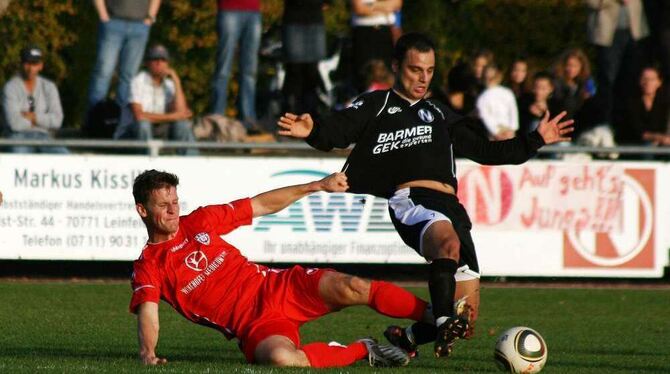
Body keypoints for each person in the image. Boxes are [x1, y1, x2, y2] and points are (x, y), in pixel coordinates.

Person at [278, 33, 574, 359]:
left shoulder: (439, 113)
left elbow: (487, 151)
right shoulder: (378, 104)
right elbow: (338, 130)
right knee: (447, 250)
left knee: (466, 321)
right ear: (396, 66)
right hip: (412, 200)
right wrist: (312, 132)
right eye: (415, 69)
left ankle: (406, 338)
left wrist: (536, 139)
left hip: (452, 208)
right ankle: (442, 318)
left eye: (430, 70)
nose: (423, 78)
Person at [130, 169, 436, 367]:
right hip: (254, 324)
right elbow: (149, 313)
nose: (173, 210)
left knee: (353, 286)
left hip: (279, 286)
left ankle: (436, 316)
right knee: (283, 359)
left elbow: (261, 204)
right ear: (143, 210)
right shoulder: (149, 265)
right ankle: (365, 349)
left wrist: (316, 185)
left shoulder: (200, 221)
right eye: (162, 205)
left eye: (175, 201)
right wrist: (148, 354)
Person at [113, 45, 197, 156]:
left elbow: (181, 113)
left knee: (182, 125)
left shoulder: (170, 84)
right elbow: (139, 116)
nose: (159, 63)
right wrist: (173, 116)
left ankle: (193, 162)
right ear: (147, 63)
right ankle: (148, 165)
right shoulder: (138, 81)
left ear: (167, 64)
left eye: (163, 60)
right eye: (155, 59)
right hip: (133, 132)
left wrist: (177, 82)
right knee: (143, 125)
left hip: (161, 128)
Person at [87, 0, 161, 109]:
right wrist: (103, 15)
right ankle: (94, 117)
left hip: (139, 26)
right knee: (103, 71)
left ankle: (122, 120)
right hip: (113, 22)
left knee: (129, 76)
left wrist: (150, 18)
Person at [2, 46, 67, 154]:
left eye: (34, 64)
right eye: (27, 63)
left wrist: (33, 117)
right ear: (21, 64)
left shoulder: (49, 87)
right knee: (19, 157)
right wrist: (43, 120)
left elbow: (57, 120)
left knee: (64, 157)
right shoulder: (10, 88)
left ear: (41, 66)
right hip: (17, 137)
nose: (31, 69)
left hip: (44, 137)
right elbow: (14, 124)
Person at [211, 0, 261, 133]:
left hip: (253, 10)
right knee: (223, 69)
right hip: (229, 8)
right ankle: (217, 116)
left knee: (250, 71)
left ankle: (248, 118)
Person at [281, 0, 328, 116]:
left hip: (315, 18)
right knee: (294, 68)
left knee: (312, 69)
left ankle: (311, 111)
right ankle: (291, 112)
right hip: (294, 18)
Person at [350, 0, 402, 93]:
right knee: (365, 75)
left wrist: (371, 5)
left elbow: (396, 4)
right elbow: (359, 9)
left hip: (385, 32)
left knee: (388, 73)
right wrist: (384, 7)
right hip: (364, 34)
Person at [617, 66, 670, 149]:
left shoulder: (664, 103)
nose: (647, 82)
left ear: (659, 82)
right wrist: (658, 137)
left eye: (652, 79)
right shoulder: (631, 103)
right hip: (635, 143)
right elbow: (638, 131)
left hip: (660, 142)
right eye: (644, 79)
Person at [476, 63, 519, 140]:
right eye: (487, 77)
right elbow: (485, 116)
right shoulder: (482, 98)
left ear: (499, 77)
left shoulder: (507, 93)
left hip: (509, 130)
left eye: (493, 77)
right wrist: (496, 132)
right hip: (493, 134)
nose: (490, 80)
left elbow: (513, 110)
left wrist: (512, 129)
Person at [518, 71, 563, 136]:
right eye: (536, 87)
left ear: (551, 89)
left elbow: (559, 123)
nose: (539, 91)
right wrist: (529, 111)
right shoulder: (524, 100)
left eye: (543, 88)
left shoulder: (556, 104)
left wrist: (545, 111)